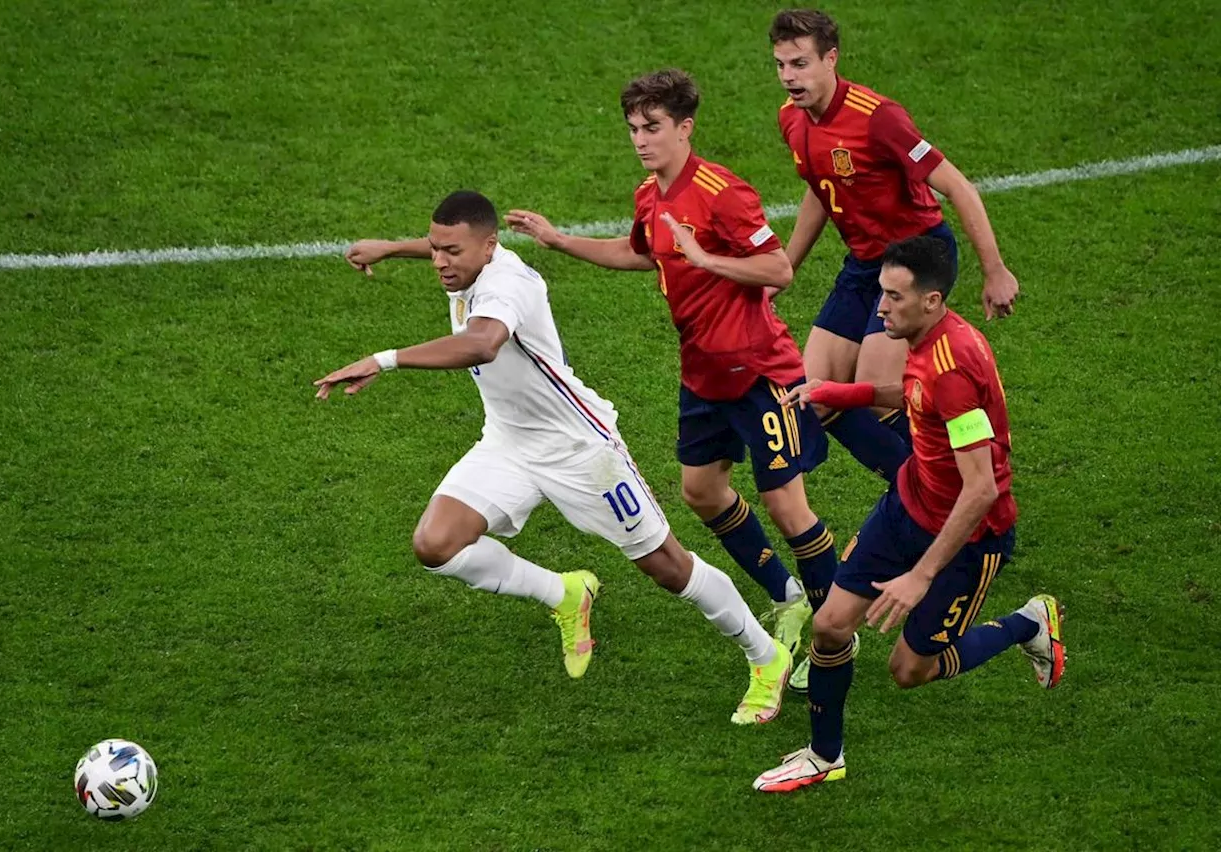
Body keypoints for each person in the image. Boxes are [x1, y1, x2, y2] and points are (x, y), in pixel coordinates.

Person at [325, 190, 793, 724]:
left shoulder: (509, 284)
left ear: (490, 246)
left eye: (450, 252)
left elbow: (482, 344)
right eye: (434, 249)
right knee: (436, 545)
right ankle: (565, 592)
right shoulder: (468, 260)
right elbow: (450, 245)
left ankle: (766, 655)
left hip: (580, 451)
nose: (439, 262)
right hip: (507, 441)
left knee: (668, 567)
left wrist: (383, 361)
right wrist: (390, 247)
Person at [505, 70, 838, 690]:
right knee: (702, 492)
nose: (640, 139)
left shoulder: (722, 192)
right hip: (704, 375)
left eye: (652, 127)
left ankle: (830, 633)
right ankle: (788, 596)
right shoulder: (648, 195)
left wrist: (707, 258)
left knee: (787, 507)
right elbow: (640, 253)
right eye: (633, 127)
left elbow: (778, 270)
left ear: (685, 128)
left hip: (760, 373)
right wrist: (558, 240)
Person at [751, 235, 1063, 793]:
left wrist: (921, 577)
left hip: (968, 540)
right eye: (881, 293)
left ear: (932, 300)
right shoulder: (929, 340)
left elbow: (981, 490)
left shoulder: (954, 370)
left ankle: (1028, 624)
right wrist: (844, 393)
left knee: (909, 670)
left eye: (894, 297)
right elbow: (915, 394)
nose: (880, 307)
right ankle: (825, 755)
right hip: (906, 507)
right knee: (829, 625)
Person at [770, 8, 1021, 480]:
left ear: (831, 60)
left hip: (917, 256)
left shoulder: (878, 118)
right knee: (814, 397)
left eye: (800, 63)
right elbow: (820, 188)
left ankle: (945, 492)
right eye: (781, 64)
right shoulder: (793, 119)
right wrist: (786, 268)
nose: (788, 76)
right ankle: (926, 487)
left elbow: (957, 186)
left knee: (874, 389)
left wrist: (995, 270)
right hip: (865, 263)